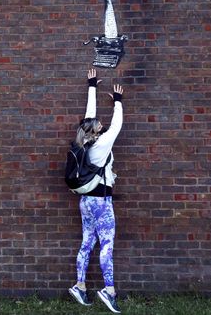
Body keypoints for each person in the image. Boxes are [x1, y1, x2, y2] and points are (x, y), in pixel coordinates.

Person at [68, 67, 124, 313]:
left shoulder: (84, 140)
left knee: (87, 243)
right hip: (101, 202)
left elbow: (88, 116)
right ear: (96, 130)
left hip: (86, 201)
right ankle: (108, 289)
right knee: (107, 244)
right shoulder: (102, 144)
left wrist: (92, 85)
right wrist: (118, 103)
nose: (101, 123)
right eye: (99, 124)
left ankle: (80, 285)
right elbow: (117, 126)